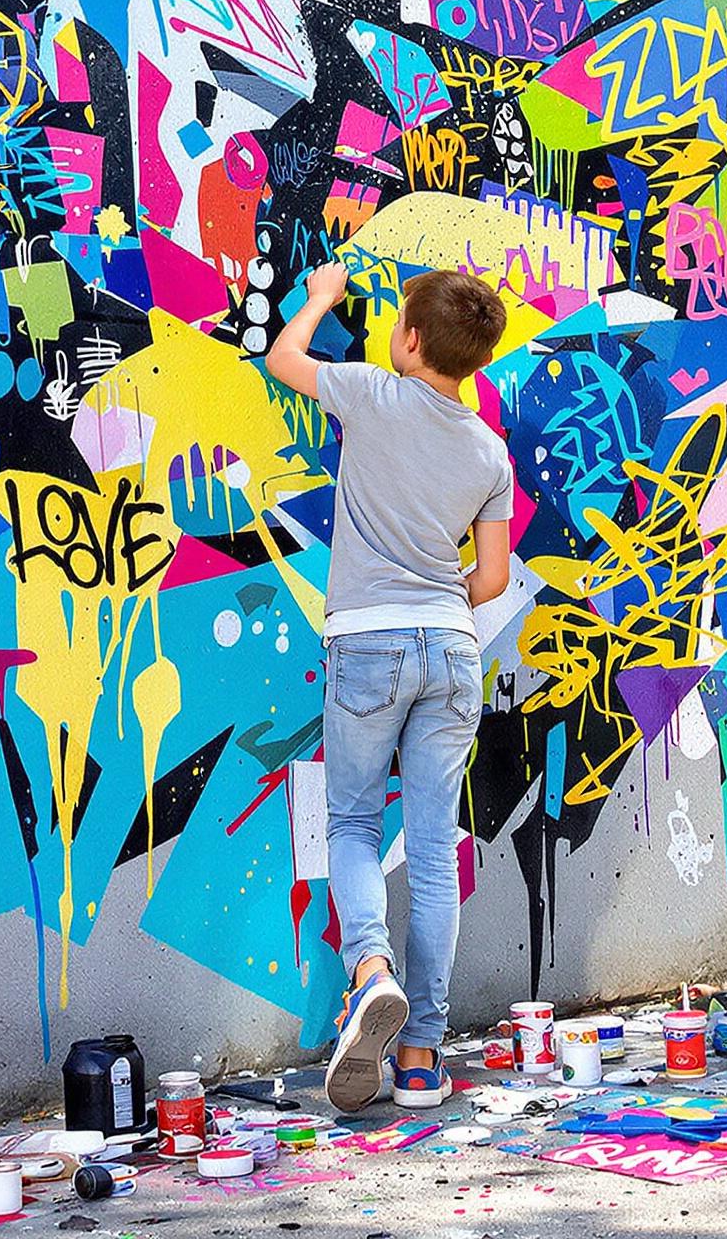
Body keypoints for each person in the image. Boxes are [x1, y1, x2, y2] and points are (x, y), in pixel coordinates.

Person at [265, 260, 516, 1113]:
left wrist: (321, 299)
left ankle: (370, 969)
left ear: (410, 340)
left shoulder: (373, 393)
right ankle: (419, 1059)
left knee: (353, 823)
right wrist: (432, 580)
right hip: (451, 648)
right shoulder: (489, 452)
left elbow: (282, 359)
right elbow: (487, 581)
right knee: (436, 846)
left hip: (368, 644)